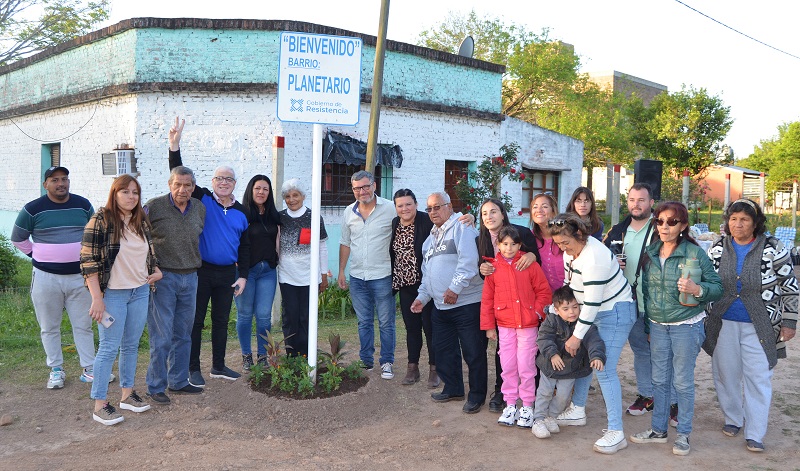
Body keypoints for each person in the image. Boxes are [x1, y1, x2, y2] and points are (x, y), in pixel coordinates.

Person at [704, 198, 798, 452]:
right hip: (723, 322)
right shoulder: (717, 247)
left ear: (755, 223)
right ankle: (733, 419)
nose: (738, 224)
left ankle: (755, 432)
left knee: (758, 378)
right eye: (733, 219)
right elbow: (706, 281)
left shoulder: (772, 248)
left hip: (761, 325)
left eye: (744, 219)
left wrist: (789, 322)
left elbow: (790, 286)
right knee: (726, 375)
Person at [629, 201, 722, 456]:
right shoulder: (651, 252)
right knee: (659, 380)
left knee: (682, 382)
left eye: (671, 222)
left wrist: (698, 290)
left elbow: (717, 287)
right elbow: (646, 293)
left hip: (686, 326)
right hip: (658, 327)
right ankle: (658, 430)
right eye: (660, 221)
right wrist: (648, 324)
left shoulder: (694, 253)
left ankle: (683, 435)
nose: (664, 226)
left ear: (682, 225)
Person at [168, 117, 250, 385]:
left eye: (228, 179)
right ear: (212, 182)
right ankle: (193, 368)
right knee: (196, 321)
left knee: (221, 321)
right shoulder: (201, 197)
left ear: (235, 184)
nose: (223, 182)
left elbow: (246, 247)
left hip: (228, 273)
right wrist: (174, 146)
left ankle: (218, 365)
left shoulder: (242, 211)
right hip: (201, 271)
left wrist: (243, 275)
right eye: (219, 178)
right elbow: (180, 176)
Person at [548, 212, 635, 454]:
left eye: (566, 242)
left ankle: (617, 433)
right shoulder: (571, 253)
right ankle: (577, 410)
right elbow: (573, 290)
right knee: (586, 360)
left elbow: (593, 303)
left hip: (615, 312)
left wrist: (576, 336)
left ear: (580, 235)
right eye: (558, 244)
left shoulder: (594, 257)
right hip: (593, 311)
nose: (563, 249)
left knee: (604, 369)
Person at [80, 175, 162, 425]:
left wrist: (156, 271)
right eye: (125, 192)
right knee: (108, 347)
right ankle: (100, 404)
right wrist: (96, 298)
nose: (131, 197)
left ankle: (127, 394)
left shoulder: (140, 221)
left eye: (135, 192)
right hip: (113, 294)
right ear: (114, 193)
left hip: (139, 291)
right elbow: (88, 261)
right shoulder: (101, 219)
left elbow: (149, 253)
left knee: (131, 345)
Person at [11, 166, 102, 389]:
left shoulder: (83, 205)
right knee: (49, 327)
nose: (61, 183)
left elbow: (95, 233)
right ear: (46, 185)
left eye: (64, 179)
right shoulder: (32, 209)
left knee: (83, 325)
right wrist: (39, 255)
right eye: (54, 180)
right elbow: (18, 239)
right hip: (45, 277)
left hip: (80, 277)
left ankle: (89, 369)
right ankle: (56, 370)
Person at [603, 183, 675, 418]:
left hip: (656, 302)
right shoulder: (617, 231)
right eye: (632, 199)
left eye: (641, 200)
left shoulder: (661, 229)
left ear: (651, 203)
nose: (636, 204)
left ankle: (673, 402)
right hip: (629, 302)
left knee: (663, 353)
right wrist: (612, 262)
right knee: (641, 352)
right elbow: (602, 262)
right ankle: (647, 395)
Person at [411, 192, 486, 414]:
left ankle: (476, 395)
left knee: (473, 352)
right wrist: (421, 298)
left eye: (437, 207)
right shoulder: (429, 240)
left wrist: (454, 289)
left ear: (449, 206)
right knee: (443, 350)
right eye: (429, 209)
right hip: (440, 306)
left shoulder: (462, 228)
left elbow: (469, 263)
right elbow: (427, 274)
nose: (433, 212)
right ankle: (453, 388)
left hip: (466, 303)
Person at [144, 165, 206, 405]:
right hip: (164, 278)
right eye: (178, 184)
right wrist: (151, 267)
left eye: (188, 185)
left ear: (193, 187)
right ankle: (155, 385)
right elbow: (138, 235)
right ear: (170, 185)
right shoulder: (154, 207)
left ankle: (178, 381)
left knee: (184, 334)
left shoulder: (199, 209)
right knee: (161, 336)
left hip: (191, 278)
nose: (183, 189)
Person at [480, 225, 551, 428]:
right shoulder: (493, 268)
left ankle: (527, 405)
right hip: (504, 326)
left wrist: (537, 313)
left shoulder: (529, 265)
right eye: (505, 244)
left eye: (513, 244)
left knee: (526, 366)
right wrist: (489, 326)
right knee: (508, 365)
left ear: (520, 244)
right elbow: (487, 300)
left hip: (527, 326)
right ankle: (510, 404)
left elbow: (544, 292)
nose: (509, 248)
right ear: (498, 245)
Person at [477, 198, 541, 413]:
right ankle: (505, 396)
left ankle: (530, 400)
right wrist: (483, 269)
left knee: (527, 358)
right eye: (484, 213)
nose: (489, 216)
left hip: (526, 308)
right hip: (504, 312)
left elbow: (536, 261)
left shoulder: (520, 233)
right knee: (506, 357)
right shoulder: (483, 239)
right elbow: (487, 271)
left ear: (503, 214)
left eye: (493, 211)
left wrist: (531, 255)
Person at [338, 170, 396, 379]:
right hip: (357, 277)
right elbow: (345, 242)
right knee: (364, 322)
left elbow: (413, 218)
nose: (362, 191)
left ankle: (387, 361)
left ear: (374, 185)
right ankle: (366, 361)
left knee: (386, 322)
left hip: (383, 275)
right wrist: (342, 271)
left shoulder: (390, 208)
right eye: (356, 188)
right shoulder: (348, 212)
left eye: (365, 186)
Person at [531, 286, 605, 439]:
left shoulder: (584, 323)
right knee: (545, 392)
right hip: (550, 366)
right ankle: (538, 419)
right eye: (566, 308)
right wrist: (552, 354)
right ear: (557, 310)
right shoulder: (551, 320)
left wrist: (596, 356)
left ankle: (551, 416)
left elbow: (594, 340)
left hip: (571, 368)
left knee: (563, 396)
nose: (571, 312)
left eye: (575, 307)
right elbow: (543, 338)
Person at [390, 189, 438, 387]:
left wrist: (467, 217)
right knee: (412, 328)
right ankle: (412, 368)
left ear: (416, 204)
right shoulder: (395, 224)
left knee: (430, 328)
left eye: (408, 204)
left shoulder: (426, 221)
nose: (404, 208)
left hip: (425, 285)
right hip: (405, 285)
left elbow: (450, 222)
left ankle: (435, 369)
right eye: (400, 205)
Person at [278, 178, 329, 357]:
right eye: (287, 196)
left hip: (310, 277)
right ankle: (292, 355)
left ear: (303, 196)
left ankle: (307, 355)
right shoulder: (280, 217)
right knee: (290, 317)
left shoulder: (314, 217)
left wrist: (324, 275)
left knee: (306, 317)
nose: (292, 199)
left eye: (295, 195)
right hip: (287, 277)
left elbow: (322, 246)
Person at [236, 175, 281, 370]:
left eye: (265, 189)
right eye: (258, 188)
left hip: (268, 271)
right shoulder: (241, 213)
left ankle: (263, 356)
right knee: (245, 314)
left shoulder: (273, 215)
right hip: (246, 272)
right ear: (250, 190)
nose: (261, 192)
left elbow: (278, 237)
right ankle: (246, 355)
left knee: (264, 316)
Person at [530, 192, 564, 292]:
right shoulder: (530, 237)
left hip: (572, 298)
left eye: (544, 206)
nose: (539, 210)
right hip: (544, 297)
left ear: (553, 212)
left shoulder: (566, 233)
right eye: (535, 207)